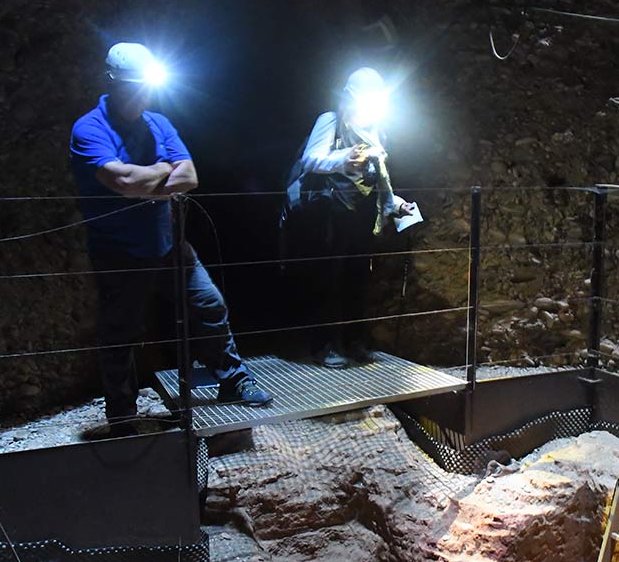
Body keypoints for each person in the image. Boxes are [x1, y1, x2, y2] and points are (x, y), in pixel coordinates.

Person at [70, 42, 272, 431]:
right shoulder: (89, 128)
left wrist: (143, 181)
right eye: (134, 85)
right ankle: (122, 414)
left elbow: (189, 176)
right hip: (118, 250)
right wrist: (163, 170)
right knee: (121, 330)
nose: (142, 92)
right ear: (112, 82)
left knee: (208, 305)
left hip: (168, 244)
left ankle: (233, 380)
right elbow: (122, 180)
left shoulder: (158, 123)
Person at [284, 67, 416, 368]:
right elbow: (311, 159)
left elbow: (377, 177)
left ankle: (355, 342)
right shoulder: (332, 121)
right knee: (328, 278)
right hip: (330, 213)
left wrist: (395, 203)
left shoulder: (377, 129)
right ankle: (324, 345)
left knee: (357, 278)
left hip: (360, 215)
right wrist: (343, 158)